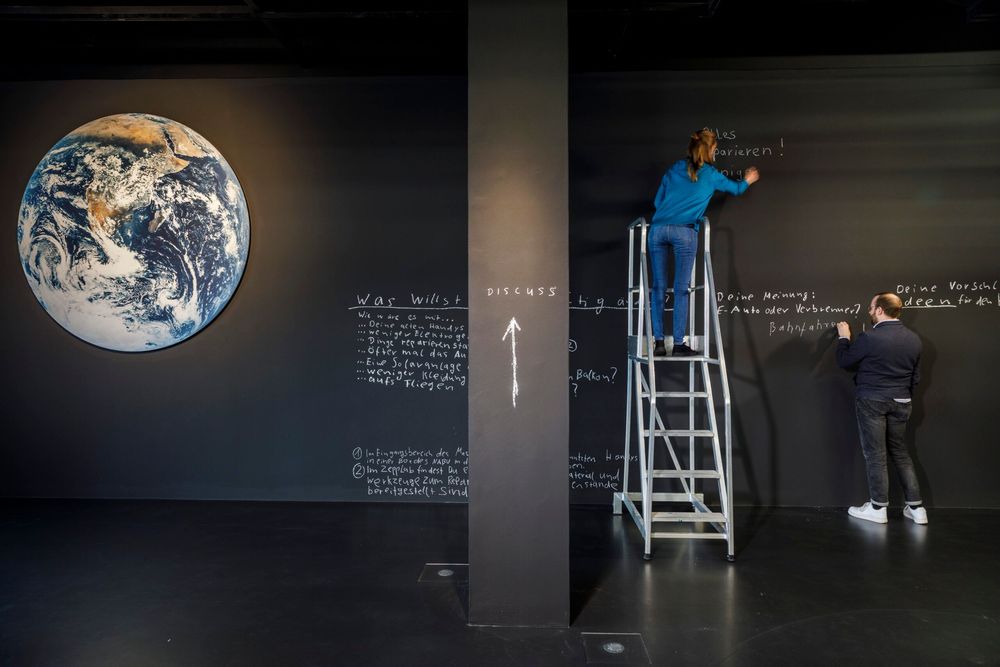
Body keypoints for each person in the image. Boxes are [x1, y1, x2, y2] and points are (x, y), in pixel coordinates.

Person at [649, 129, 758, 356]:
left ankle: (658, 343)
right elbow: (737, 189)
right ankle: (678, 344)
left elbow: (657, 202)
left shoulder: (675, 168)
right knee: (681, 290)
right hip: (684, 232)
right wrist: (748, 179)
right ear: (710, 149)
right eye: (715, 149)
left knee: (658, 288)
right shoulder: (710, 174)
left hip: (657, 231)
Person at [836, 293, 928, 525]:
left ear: (879, 310)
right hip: (902, 401)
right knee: (900, 452)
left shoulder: (870, 338)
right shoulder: (914, 339)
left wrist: (844, 338)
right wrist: (902, 396)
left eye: (871, 308)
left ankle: (878, 508)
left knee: (875, 454)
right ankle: (917, 509)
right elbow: (915, 377)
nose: (869, 312)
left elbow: (845, 362)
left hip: (872, 400)